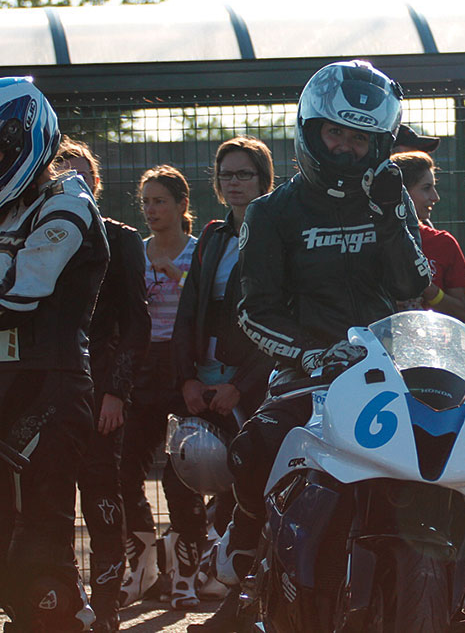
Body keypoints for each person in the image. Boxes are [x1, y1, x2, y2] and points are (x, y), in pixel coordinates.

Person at [207, 60, 429, 628]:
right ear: (311, 129)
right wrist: (308, 355)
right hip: (306, 372)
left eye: (361, 139)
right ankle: (249, 527)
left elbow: (414, 284)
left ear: (378, 143)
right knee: (254, 448)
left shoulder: (389, 198)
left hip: (390, 372)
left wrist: (387, 216)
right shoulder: (271, 211)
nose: (348, 149)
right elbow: (254, 313)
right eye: (337, 133)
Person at [0, 76, 109, 632]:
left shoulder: (68, 199)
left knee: (38, 551)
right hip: (8, 385)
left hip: (50, 387)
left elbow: (22, 287)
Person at [170, 137, 275, 626]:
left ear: (263, 179)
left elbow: (275, 320)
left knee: (250, 488)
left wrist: (245, 384)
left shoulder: (277, 232)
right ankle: (205, 585)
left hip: (252, 383)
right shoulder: (212, 236)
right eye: (227, 175)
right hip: (206, 376)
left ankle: (243, 604)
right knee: (193, 476)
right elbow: (191, 308)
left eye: (244, 175)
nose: (234, 183)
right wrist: (188, 376)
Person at [54, 137, 152, 633]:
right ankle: (61, 603)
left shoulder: (123, 239)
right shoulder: (38, 236)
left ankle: (108, 608)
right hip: (45, 392)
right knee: (46, 506)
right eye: (59, 174)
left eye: (79, 175)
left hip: (100, 393)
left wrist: (116, 390)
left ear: (96, 182)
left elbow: (138, 324)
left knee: (101, 498)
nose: (70, 184)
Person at [118, 165, 201, 610]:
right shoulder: (135, 251)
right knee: (125, 466)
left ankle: (186, 573)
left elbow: (210, 303)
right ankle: (144, 562)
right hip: (140, 366)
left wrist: (177, 277)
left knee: (182, 474)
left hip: (183, 366)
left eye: (160, 201)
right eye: (146, 201)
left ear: (182, 205)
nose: (151, 209)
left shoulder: (197, 250)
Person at [391, 150, 465, 320]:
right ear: (401, 192)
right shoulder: (368, 239)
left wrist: (428, 289)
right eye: (426, 188)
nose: (435, 197)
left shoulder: (443, 243)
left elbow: (461, 312)